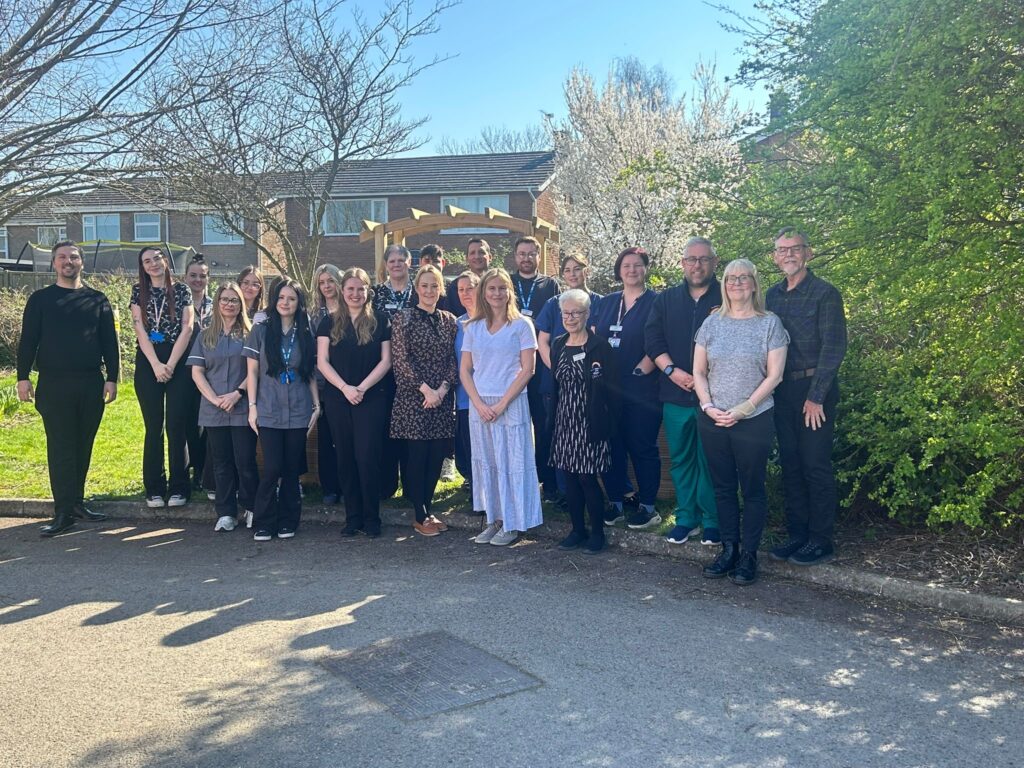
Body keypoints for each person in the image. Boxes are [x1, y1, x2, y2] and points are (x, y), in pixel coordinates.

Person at [693, 259, 789, 585]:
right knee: (722, 488)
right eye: (731, 278)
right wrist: (707, 405)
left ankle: (749, 555)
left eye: (743, 277)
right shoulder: (711, 324)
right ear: (724, 285)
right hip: (714, 419)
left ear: (754, 284)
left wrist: (744, 409)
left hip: (753, 420)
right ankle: (729, 550)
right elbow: (698, 371)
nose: (736, 283)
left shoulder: (769, 324)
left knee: (752, 489)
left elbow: (775, 376)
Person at [16, 241, 118, 536]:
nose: (68, 261)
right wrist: (23, 377)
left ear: (81, 262)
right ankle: (62, 512)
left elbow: (109, 342)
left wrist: (112, 377)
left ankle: (76, 503)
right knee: (61, 447)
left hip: (90, 383)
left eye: (73, 257)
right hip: (54, 383)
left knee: (83, 445)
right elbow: (28, 340)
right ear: (54, 263)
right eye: (62, 257)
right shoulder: (40, 300)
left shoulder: (97, 300)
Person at [766, 228, 848, 566]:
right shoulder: (771, 296)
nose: (789, 255)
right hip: (781, 389)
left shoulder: (825, 293)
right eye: (782, 250)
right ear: (774, 257)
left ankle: (820, 539)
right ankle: (797, 534)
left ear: (808, 253)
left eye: (795, 249)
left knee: (814, 464)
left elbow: (834, 348)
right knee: (790, 463)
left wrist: (816, 397)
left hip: (815, 390)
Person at [644, 236, 722, 545]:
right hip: (675, 395)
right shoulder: (666, 299)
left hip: (715, 397)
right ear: (683, 263)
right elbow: (653, 340)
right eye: (691, 259)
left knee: (711, 461)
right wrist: (672, 372)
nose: (697, 265)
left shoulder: (728, 295)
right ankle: (687, 518)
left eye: (704, 259)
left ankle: (712, 520)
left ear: (714, 263)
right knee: (681, 460)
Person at [460, 268, 543, 546]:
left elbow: (528, 369)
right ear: (483, 292)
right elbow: (465, 370)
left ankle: (513, 522)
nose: (497, 293)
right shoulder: (472, 327)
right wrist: (478, 403)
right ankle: (494, 519)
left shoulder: (522, 325)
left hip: (511, 403)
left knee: (512, 464)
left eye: (502, 288)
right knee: (489, 464)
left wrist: (503, 403)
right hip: (480, 406)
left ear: (510, 292)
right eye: (492, 288)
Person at [317, 268, 392, 537]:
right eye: (350, 288)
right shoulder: (328, 322)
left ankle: (372, 518)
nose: (355, 294)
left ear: (368, 291)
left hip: (371, 397)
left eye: (360, 289)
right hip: (338, 398)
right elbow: (322, 361)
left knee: (367, 457)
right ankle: (353, 518)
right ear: (342, 290)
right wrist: (345, 388)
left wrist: (361, 388)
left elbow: (386, 361)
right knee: (345, 457)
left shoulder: (380, 320)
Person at [590, 246, 660, 528]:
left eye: (638, 264)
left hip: (642, 389)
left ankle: (648, 507)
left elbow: (660, 340)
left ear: (646, 269)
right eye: (626, 265)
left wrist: (642, 368)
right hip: (608, 389)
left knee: (642, 447)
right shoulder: (606, 302)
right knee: (612, 446)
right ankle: (616, 504)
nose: (632, 270)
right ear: (619, 271)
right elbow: (593, 338)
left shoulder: (657, 302)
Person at [244, 278, 318, 541]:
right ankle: (264, 521)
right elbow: (252, 372)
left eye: (292, 299)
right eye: (281, 297)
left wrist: (316, 406)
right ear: (274, 300)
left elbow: (309, 372)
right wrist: (252, 407)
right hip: (268, 408)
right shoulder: (260, 331)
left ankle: (288, 521)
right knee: (272, 467)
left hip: (298, 409)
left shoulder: (306, 332)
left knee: (291, 469)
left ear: (299, 303)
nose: (285, 303)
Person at [389, 265, 459, 536]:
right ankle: (419, 515)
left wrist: (441, 389)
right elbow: (400, 360)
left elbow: (453, 359)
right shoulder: (403, 318)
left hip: (441, 399)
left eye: (434, 286)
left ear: (441, 289)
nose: (430, 291)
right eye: (425, 285)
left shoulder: (449, 320)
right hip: (414, 399)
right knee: (417, 457)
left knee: (436, 457)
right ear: (417, 288)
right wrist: (425, 390)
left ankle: (428, 510)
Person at [547, 289, 618, 554]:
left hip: (590, 423)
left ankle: (597, 533)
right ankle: (577, 530)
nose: (571, 318)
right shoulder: (558, 344)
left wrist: (609, 423)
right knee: (570, 479)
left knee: (588, 479)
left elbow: (612, 390)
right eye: (566, 313)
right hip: (564, 422)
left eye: (576, 313)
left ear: (587, 314)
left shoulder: (600, 346)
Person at [187, 281, 259, 532]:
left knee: (245, 461)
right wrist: (215, 399)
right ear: (217, 303)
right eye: (225, 299)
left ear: (241, 304)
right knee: (221, 463)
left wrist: (237, 394)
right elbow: (197, 372)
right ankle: (226, 512)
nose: (229, 304)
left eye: (234, 300)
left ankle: (251, 507)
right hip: (213, 409)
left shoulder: (251, 334)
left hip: (242, 406)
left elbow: (256, 370)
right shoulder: (205, 335)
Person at [130, 246, 195, 508]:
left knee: (176, 425)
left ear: (165, 261)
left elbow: (188, 327)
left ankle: (179, 487)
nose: (153, 264)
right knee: (153, 426)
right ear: (143, 267)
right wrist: (156, 364)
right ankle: (154, 487)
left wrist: (170, 364)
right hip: (149, 360)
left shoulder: (182, 290)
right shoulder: (138, 291)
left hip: (177, 359)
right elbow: (139, 329)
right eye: (147, 261)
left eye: (157, 258)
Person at [536, 253, 603, 504]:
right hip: (555, 382)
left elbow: (598, 340)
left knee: (586, 436)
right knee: (560, 436)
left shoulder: (600, 302)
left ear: (587, 270)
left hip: (589, 385)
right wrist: (558, 369)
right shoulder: (553, 304)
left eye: (577, 268)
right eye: (567, 270)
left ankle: (592, 490)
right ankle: (565, 492)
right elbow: (542, 341)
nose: (572, 274)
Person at [510, 236, 559, 500]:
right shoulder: (507, 282)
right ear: (515, 256)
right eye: (522, 253)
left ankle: (547, 481)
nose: (526, 258)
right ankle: (519, 479)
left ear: (539, 256)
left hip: (541, 365)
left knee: (544, 424)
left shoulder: (550, 285)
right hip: (511, 365)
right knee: (515, 426)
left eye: (531, 253)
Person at [373, 244, 417, 499]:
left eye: (402, 260)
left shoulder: (419, 290)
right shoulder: (376, 293)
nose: (397, 264)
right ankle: (387, 485)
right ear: (386, 264)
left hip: (414, 369)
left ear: (409, 263)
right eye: (392, 260)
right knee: (387, 427)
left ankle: (412, 486)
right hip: (385, 369)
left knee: (410, 428)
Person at [310, 264, 344, 505]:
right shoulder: (314, 315)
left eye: (330, 280)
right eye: (322, 282)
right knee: (326, 438)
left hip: (348, 382)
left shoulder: (350, 309)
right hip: (322, 385)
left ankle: (347, 484)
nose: (327, 286)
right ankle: (329, 487)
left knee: (346, 439)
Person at [452, 270, 484, 514]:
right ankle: (476, 494)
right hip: (464, 398)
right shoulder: (456, 324)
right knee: (468, 449)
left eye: (469, 288)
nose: (465, 294)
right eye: (461, 290)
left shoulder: (490, 320)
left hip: (489, 397)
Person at [184, 254, 213, 498]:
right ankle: (191, 469)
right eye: (193, 275)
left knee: (207, 426)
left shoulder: (216, 305)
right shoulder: (178, 305)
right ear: (185, 277)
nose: (197, 280)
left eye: (202, 276)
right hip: (184, 372)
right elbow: (160, 334)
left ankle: (204, 471)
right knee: (189, 424)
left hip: (210, 373)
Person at [445, 237, 492, 317]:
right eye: (472, 253)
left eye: (481, 252)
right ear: (466, 259)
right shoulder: (455, 287)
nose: (477, 256)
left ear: (490, 257)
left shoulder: (498, 284)